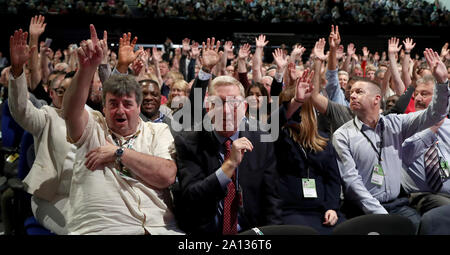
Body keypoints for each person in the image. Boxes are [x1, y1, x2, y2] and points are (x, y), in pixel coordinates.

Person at [62, 24, 182, 235]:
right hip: (102, 228)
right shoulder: (93, 124)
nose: (120, 110)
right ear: (104, 107)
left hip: (159, 228)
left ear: (139, 107)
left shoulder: (158, 131)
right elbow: (71, 110)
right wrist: (87, 69)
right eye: (113, 104)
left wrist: (119, 153)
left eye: (127, 104)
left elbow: (166, 175)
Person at [332, 48, 449, 232]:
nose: (352, 95)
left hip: (398, 204)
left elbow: (435, 115)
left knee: (425, 229)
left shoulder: (396, 124)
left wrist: (442, 83)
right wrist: (382, 216)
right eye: (352, 92)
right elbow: (352, 183)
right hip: (361, 209)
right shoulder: (342, 135)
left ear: (376, 99)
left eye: (359, 91)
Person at [173, 37, 282, 235]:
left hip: (250, 231)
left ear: (245, 107)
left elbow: (271, 198)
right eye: (219, 103)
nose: (226, 110)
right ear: (209, 107)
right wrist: (229, 166)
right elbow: (191, 197)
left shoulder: (262, 139)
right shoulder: (190, 141)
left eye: (234, 103)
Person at [7, 29, 76, 234]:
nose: (68, 96)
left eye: (73, 91)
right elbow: (21, 110)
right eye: (62, 91)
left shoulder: (94, 116)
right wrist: (18, 70)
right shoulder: (46, 116)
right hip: (54, 197)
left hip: (89, 193)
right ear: (52, 94)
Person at [274, 69, 345, 235]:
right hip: (290, 211)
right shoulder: (277, 138)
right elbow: (273, 124)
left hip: (323, 210)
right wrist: (296, 101)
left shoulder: (323, 140)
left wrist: (332, 208)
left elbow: (332, 179)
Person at [402, 75, 450, 215]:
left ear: (439, 99)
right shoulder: (404, 125)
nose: (417, 99)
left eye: (424, 94)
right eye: (416, 94)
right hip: (421, 195)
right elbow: (407, 154)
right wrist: (432, 127)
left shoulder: (448, 126)